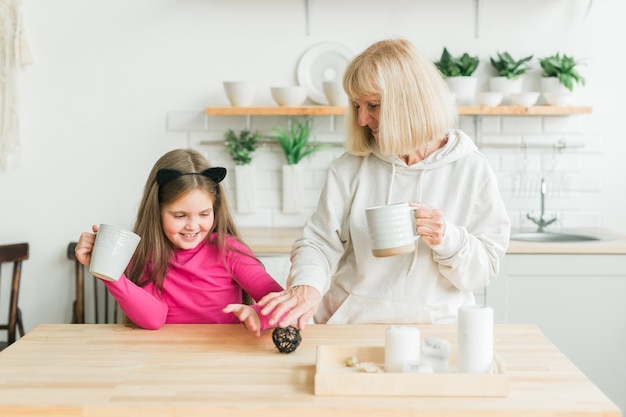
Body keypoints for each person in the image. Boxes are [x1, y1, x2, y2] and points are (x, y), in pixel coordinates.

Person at [258, 38, 511, 329]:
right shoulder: (351, 166)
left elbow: (484, 270)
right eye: (357, 106)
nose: (363, 119)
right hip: (351, 326)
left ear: (410, 103)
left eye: (374, 105)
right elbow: (318, 242)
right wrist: (307, 286)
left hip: (435, 331)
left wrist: (447, 238)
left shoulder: (470, 168)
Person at [75, 149, 283, 335]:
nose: (193, 226)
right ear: (157, 211)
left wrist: (257, 314)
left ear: (215, 210)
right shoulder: (146, 255)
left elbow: (281, 300)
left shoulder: (228, 250)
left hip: (224, 359)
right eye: (180, 215)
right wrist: (107, 270)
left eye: (204, 214)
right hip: (166, 360)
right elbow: (154, 319)